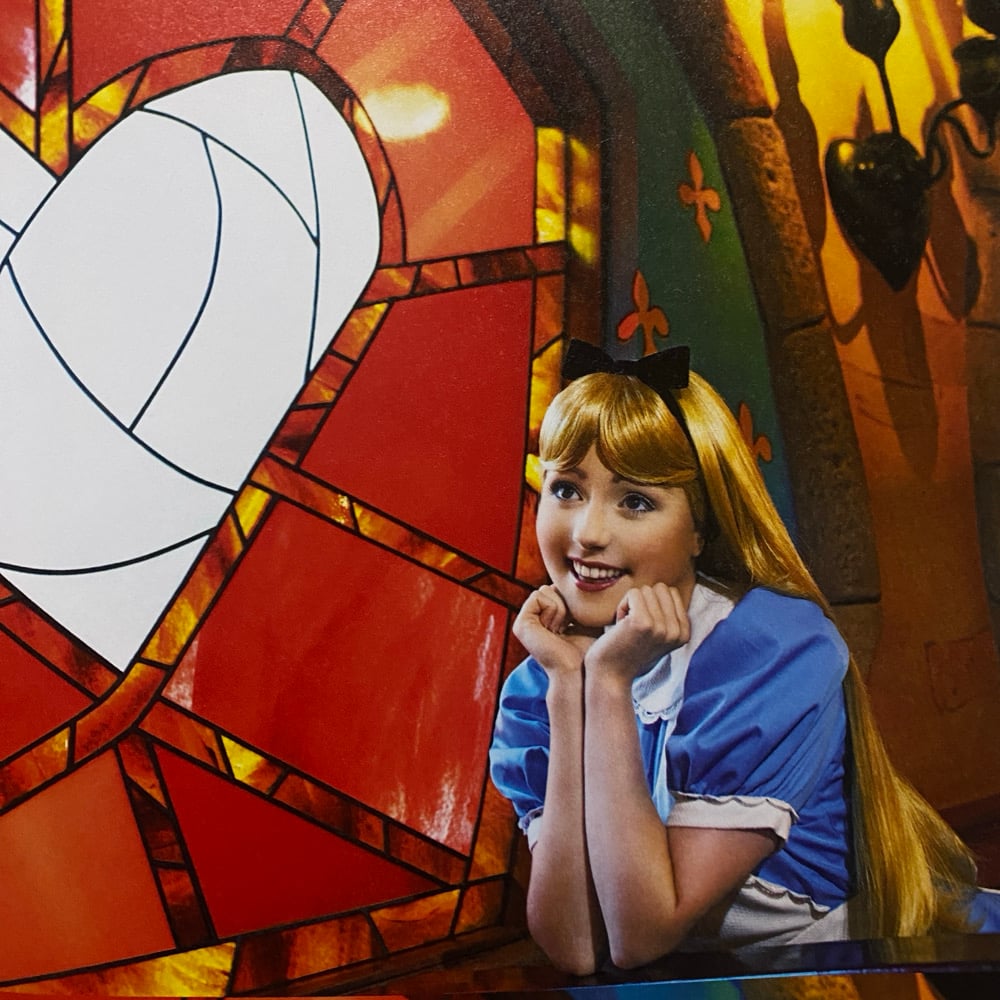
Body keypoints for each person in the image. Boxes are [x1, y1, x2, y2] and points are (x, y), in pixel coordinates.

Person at [489, 339, 991, 975]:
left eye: (635, 501)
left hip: (847, 974)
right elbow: (576, 948)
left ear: (700, 529)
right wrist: (569, 687)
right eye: (566, 489)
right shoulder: (540, 684)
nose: (587, 533)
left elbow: (640, 934)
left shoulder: (772, 652)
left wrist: (609, 685)